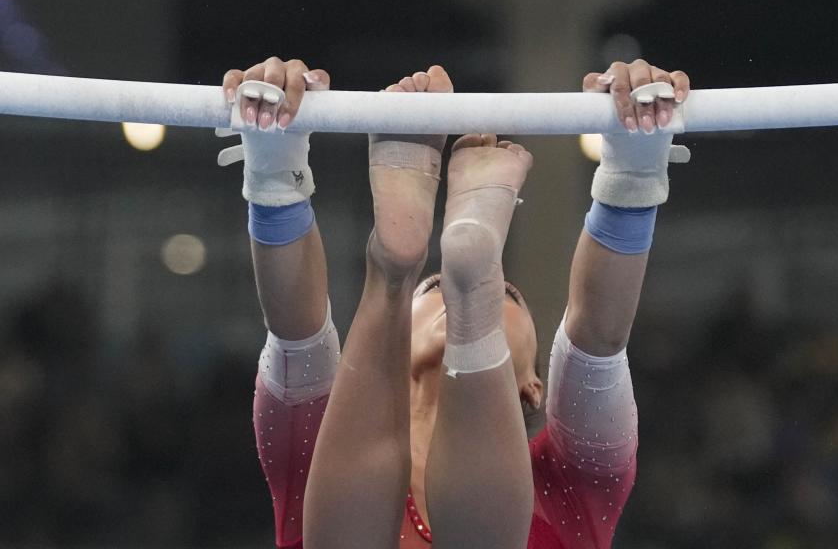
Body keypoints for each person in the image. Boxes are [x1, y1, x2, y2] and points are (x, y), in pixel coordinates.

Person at [218, 56, 690, 548]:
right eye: (434, 285)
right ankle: (443, 276)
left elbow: (599, 338)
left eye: (511, 294)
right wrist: (636, 164)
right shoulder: (569, 494)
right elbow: (295, 332)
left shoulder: (564, 476)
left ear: (534, 387)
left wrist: (274, 159)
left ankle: (395, 271)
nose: (440, 287)